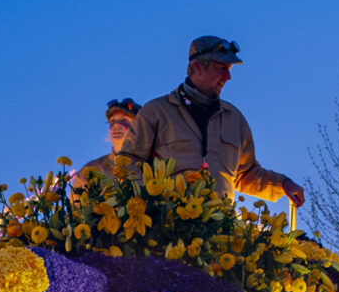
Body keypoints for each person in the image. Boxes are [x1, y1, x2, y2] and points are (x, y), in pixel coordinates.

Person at [115, 36, 306, 212]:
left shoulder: (234, 119)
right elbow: (127, 162)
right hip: (166, 231)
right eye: (221, 68)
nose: (228, 77)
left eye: (229, 70)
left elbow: (246, 174)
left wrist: (283, 184)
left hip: (218, 228)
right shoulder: (156, 112)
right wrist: (149, 202)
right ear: (198, 67)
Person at [72, 98, 142, 182]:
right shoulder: (92, 170)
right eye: (112, 120)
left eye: (124, 120)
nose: (116, 125)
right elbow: (76, 195)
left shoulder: (153, 166)